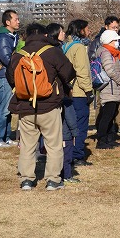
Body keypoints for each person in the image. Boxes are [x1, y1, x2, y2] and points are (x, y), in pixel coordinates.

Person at [7, 22, 75, 191]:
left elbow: (11, 78)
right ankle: (53, 180)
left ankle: (26, 180)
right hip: (50, 106)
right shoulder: (52, 52)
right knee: (53, 145)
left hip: (25, 106)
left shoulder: (18, 54)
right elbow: (69, 73)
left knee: (27, 145)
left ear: (26, 36)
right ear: (45, 35)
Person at [46, 23, 79, 183]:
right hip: (59, 95)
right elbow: (67, 71)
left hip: (47, 97)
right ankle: (63, 173)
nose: (64, 34)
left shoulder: (43, 50)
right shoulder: (56, 50)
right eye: (61, 32)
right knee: (63, 135)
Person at [63, 19, 93, 166]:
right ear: (81, 30)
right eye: (87, 29)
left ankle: (69, 153)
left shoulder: (66, 44)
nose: (89, 32)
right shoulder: (79, 48)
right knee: (80, 124)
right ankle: (77, 155)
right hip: (79, 92)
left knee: (69, 125)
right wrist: (88, 91)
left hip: (68, 91)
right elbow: (82, 71)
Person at [0, 9, 20, 147]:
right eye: (15, 19)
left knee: (8, 107)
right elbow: (7, 59)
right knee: (3, 108)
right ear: (8, 22)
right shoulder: (3, 38)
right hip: (3, 75)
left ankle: (6, 137)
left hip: (9, 75)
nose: (18, 21)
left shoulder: (12, 36)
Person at [94, 29, 120, 150]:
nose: (117, 42)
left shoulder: (113, 53)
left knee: (112, 114)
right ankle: (102, 140)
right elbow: (110, 71)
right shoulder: (106, 52)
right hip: (109, 89)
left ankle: (109, 138)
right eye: (115, 40)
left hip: (114, 88)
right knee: (107, 115)